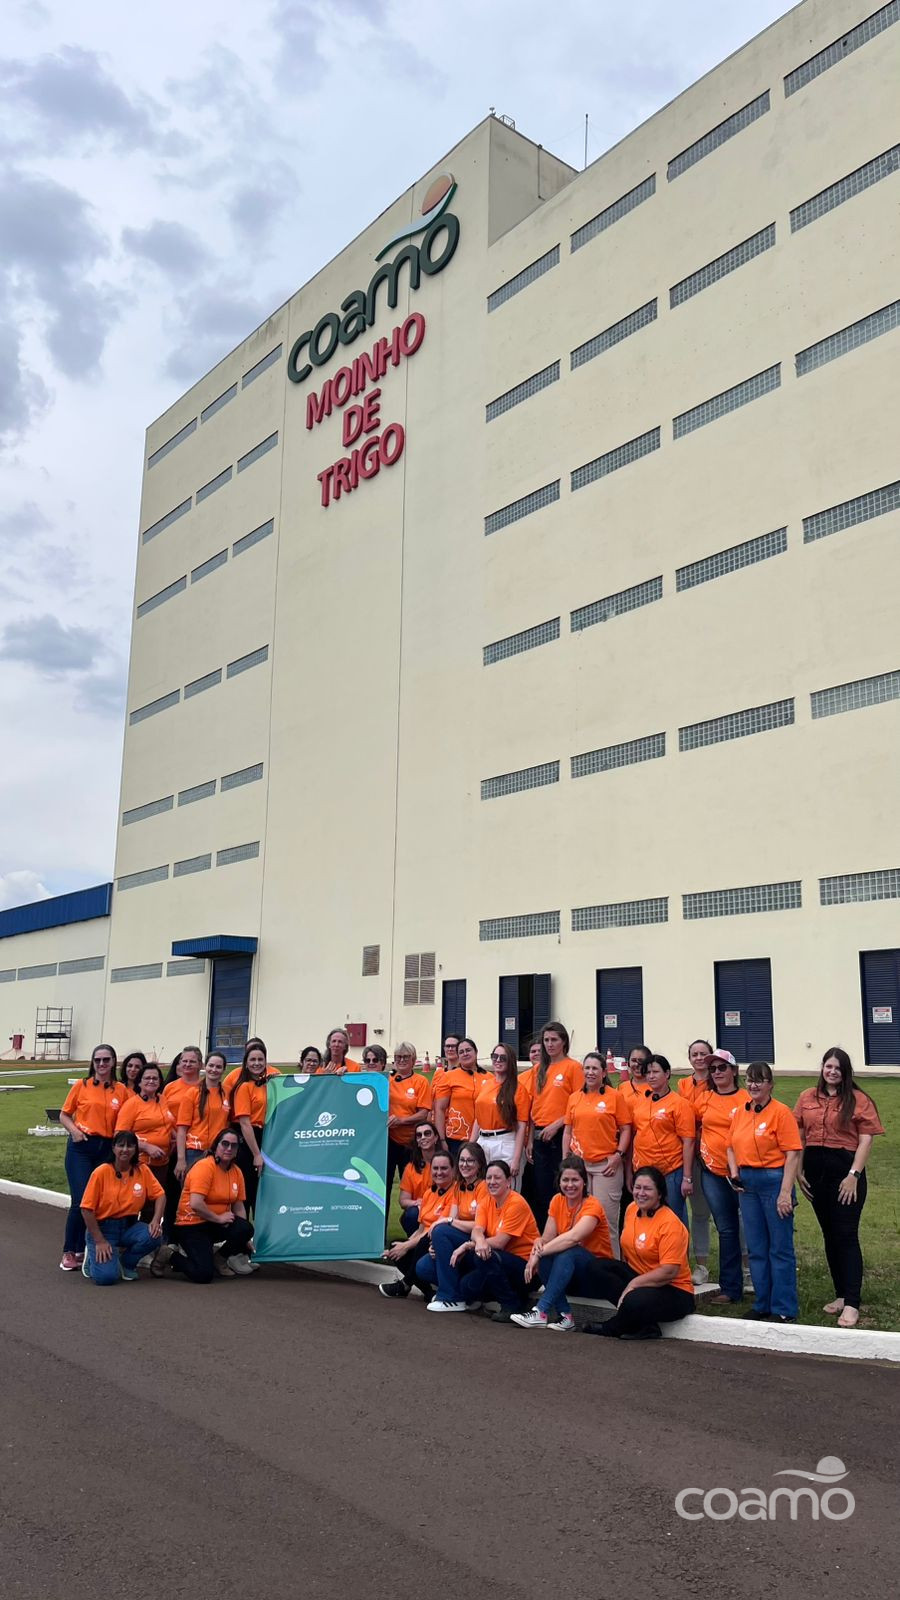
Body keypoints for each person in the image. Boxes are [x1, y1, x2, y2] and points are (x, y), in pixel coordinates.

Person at [794, 1048, 884, 1329]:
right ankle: (841, 1294)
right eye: (828, 1066)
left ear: (845, 1072)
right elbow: (798, 1133)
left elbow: (866, 1140)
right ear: (822, 1068)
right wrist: (797, 1170)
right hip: (815, 1171)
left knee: (846, 1235)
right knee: (830, 1235)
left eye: (838, 1068)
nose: (832, 1072)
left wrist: (853, 1175)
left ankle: (853, 1304)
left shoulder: (858, 1100)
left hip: (845, 1171)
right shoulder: (807, 1097)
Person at [727, 1061, 803, 1324]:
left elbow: (792, 1153)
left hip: (773, 1180)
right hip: (747, 1184)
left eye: (760, 1080)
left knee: (779, 1248)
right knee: (757, 1247)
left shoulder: (781, 1113)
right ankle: (762, 1303)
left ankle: (783, 1307)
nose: (754, 1085)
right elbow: (730, 1146)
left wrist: (785, 1193)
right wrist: (734, 1172)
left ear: (770, 1084)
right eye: (749, 1080)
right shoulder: (739, 1112)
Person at [583, 1166, 695, 1340]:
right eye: (638, 1187)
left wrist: (633, 1284)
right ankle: (647, 1326)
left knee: (634, 1299)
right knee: (595, 1268)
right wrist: (630, 1282)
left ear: (659, 1194)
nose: (641, 1193)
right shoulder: (631, 1210)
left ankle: (611, 1327)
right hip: (642, 1278)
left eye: (647, 1189)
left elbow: (669, 1271)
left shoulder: (670, 1223)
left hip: (674, 1289)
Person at [426, 1160, 539, 1319]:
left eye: (497, 1178)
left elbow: (500, 1242)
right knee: (465, 1285)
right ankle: (464, 1296)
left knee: (484, 1256)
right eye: (489, 1178)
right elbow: (477, 1229)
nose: (492, 1182)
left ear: (508, 1181)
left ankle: (511, 1305)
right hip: (497, 1259)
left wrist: (468, 1246)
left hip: (525, 1267)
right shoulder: (487, 1202)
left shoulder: (516, 1203)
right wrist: (478, 1242)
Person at [512, 1156, 614, 1330]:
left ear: (584, 1182)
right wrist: (538, 1243)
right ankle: (565, 1315)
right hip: (568, 1274)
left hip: (596, 1275)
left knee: (569, 1250)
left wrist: (537, 1253)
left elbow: (573, 1237)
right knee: (547, 1256)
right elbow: (547, 1238)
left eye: (575, 1180)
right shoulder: (557, 1201)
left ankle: (541, 1311)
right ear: (559, 1182)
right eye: (565, 1180)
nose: (570, 1185)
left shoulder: (593, 1205)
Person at [59, 1044, 125, 1271]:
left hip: (106, 1148)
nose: (102, 1064)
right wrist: (75, 1132)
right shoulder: (82, 1086)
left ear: (114, 1062)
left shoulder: (121, 1090)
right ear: (92, 1063)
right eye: (97, 1060)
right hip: (82, 1146)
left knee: (97, 1200)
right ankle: (69, 1250)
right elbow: (64, 1114)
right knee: (80, 1200)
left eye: (106, 1060)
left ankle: (82, 1248)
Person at [563, 1050, 631, 1254]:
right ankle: (585, 1268)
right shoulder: (574, 1098)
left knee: (606, 1222)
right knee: (580, 1222)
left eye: (595, 1068)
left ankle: (611, 1271)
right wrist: (565, 1161)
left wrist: (618, 1155)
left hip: (606, 1167)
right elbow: (568, 1130)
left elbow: (626, 1129)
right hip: (580, 1166)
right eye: (587, 1068)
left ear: (603, 1073)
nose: (590, 1072)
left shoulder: (615, 1097)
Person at [79, 1130, 165, 1284]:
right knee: (106, 1278)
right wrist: (99, 1241)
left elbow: (160, 1195)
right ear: (113, 1148)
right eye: (121, 1145)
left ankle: (126, 1263)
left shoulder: (142, 1170)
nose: (125, 1150)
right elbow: (86, 1209)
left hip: (128, 1226)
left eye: (130, 1146)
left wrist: (156, 1221)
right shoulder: (101, 1172)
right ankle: (91, 1257)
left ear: (136, 1149)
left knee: (154, 1235)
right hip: (103, 1229)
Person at [170, 1129, 255, 1281]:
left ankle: (219, 1258)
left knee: (246, 1228)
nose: (229, 1149)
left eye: (233, 1146)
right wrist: (218, 1219)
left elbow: (239, 1207)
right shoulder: (204, 1167)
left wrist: (243, 1238)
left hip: (213, 1224)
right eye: (225, 1144)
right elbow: (196, 1204)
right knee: (203, 1275)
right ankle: (171, 1256)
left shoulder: (236, 1172)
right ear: (216, 1146)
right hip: (191, 1225)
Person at [698, 1049, 747, 1306]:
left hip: (743, 1173)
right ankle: (730, 1288)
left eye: (722, 1068)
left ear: (734, 1071)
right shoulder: (704, 1098)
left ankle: (760, 1282)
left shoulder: (745, 1098)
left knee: (751, 1227)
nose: (717, 1073)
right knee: (726, 1229)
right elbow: (689, 1124)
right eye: (713, 1069)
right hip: (712, 1173)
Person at [378, 1149, 457, 1299]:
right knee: (396, 1248)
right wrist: (402, 1246)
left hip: (440, 1245)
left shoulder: (455, 1194)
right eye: (435, 1168)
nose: (439, 1173)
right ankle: (429, 1292)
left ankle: (405, 1284)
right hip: (425, 1241)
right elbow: (420, 1229)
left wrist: (407, 1246)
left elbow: (434, 1229)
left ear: (453, 1170)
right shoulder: (429, 1193)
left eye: (444, 1168)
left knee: (423, 1241)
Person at [528, 1021, 583, 1228]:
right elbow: (534, 1105)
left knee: (563, 1188)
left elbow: (578, 1103)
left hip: (561, 1135)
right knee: (542, 1192)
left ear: (563, 1042)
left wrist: (556, 1125)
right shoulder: (538, 1070)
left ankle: (566, 1232)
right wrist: (530, 1139)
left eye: (554, 1040)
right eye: (546, 1040)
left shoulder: (573, 1067)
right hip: (540, 1137)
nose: (550, 1044)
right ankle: (545, 1236)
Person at [629, 1055, 695, 1224]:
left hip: (670, 1171)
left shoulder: (680, 1104)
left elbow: (688, 1141)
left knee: (674, 1218)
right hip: (644, 1170)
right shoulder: (641, 1101)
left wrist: (687, 1178)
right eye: (648, 1072)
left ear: (667, 1074)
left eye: (655, 1072)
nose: (651, 1076)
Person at [679, 1039, 714, 1285]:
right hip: (694, 1154)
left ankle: (746, 1268)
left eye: (704, 1053)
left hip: (717, 1152)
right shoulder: (682, 1085)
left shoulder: (719, 1081)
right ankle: (701, 1266)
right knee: (700, 1213)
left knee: (736, 1214)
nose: (699, 1057)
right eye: (695, 1054)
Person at [232, 1040, 281, 1215]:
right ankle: (244, 1236)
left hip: (267, 1136)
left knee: (264, 1191)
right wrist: (256, 1154)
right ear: (246, 1063)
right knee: (248, 1188)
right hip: (248, 1140)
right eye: (252, 1060)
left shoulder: (270, 1084)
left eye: (260, 1059)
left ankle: (261, 1233)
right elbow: (245, 1123)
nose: (257, 1063)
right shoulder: (244, 1087)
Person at [471, 1043, 531, 1179]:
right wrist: (470, 1145)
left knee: (506, 1188)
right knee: (483, 1187)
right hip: (483, 1141)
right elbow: (478, 1119)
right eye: (495, 1056)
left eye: (503, 1058)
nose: (498, 1061)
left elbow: (521, 1126)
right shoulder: (486, 1084)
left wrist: (516, 1159)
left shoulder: (518, 1089)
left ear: (510, 1061)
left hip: (506, 1143)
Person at [114, 1062, 175, 1189]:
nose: (151, 1081)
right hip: (141, 1163)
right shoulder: (132, 1104)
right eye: (147, 1078)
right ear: (139, 1082)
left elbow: (167, 1123)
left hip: (163, 1162)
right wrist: (146, 1147)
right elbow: (119, 1136)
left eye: (155, 1078)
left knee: (157, 1200)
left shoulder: (163, 1100)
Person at [386, 1043, 433, 1202]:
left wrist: (402, 1121)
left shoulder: (421, 1082)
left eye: (406, 1057)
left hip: (412, 1143)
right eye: (398, 1057)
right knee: (385, 1185)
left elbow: (423, 1113)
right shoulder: (387, 1080)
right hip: (389, 1141)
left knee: (414, 1186)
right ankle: (380, 1226)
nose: (402, 1060)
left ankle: (417, 1223)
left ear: (413, 1060)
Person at [175, 1051, 231, 1173]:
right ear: (205, 1067)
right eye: (211, 1065)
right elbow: (182, 1129)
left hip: (219, 1151)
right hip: (195, 1151)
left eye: (218, 1067)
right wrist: (181, 1159)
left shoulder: (227, 1093)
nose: (214, 1069)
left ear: (224, 1070)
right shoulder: (192, 1093)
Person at [432, 1036, 481, 1159]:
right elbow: (440, 1109)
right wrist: (441, 1139)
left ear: (476, 1052)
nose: (465, 1054)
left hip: (483, 1137)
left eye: (468, 1050)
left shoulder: (489, 1077)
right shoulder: (448, 1077)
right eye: (461, 1052)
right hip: (456, 1137)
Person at [398, 1123, 444, 1234]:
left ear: (436, 1138)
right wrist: (416, 1203)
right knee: (411, 1214)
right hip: (420, 1209)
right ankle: (415, 1247)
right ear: (417, 1142)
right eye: (419, 1135)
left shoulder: (447, 1163)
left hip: (442, 1209)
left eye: (427, 1133)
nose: (423, 1137)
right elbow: (403, 1201)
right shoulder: (410, 1168)